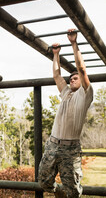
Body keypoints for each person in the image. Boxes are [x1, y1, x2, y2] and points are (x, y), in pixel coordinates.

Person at [38, 29, 94, 198]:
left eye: (75, 78)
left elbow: (82, 69)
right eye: (71, 78)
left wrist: (73, 43)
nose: (72, 79)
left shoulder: (85, 94)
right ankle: (59, 191)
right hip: (53, 145)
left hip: (70, 149)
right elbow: (56, 75)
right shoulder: (66, 93)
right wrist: (56, 54)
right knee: (43, 182)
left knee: (73, 191)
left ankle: (66, 192)